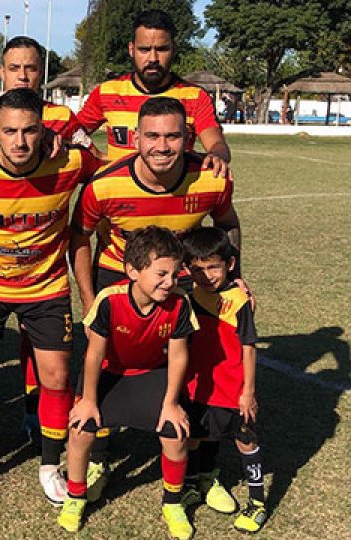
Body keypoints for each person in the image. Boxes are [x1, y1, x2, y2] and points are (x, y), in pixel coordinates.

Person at [69, 96, 241, 500]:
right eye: (152, 136)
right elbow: (80, 237)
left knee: (201, 369)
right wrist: (90, 295)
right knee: (107, 362)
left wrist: (232, 281)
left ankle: (201, 470)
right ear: (135, 138)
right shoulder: (105, 184)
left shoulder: (213, 178)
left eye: (172, 136)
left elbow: (228, 225)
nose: (161, 146)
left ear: (188, 137)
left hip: (185, 282)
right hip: (119, 276)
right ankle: (99, 456)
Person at [0, 88, 101, 503]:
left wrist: (76, 140)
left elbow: (106, 171)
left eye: (30, 131)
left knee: (56, 377)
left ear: (44, 129)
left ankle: (51, 464)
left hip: (46, 287)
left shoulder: (70, 162)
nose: (20, 141)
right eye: (10, 131)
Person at [58, 226, 197, 540]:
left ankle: (173, 503)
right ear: (133, 270)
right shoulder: (109, 300)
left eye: (175, 274)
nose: (170, 282)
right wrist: (89, 401)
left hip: (151, 374)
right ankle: (75, 496)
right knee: (79, 430)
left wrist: (171, 404)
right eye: (161, 273)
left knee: (176, 433)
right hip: (110, 375)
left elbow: (177, 357)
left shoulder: (179, 303)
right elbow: (93, 356)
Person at [180, 227, 268, 533]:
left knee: (245, 440)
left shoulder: (239, 300)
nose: (206, 275)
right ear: (187, 268)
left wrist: (249, 391)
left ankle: (257, 503)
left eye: (213, 267)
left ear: (229, 265)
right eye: (198, 269)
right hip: (196, 385)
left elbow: (248, 348)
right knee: (194, 435)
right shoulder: (187, 296)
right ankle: (193, 483)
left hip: (233, 390)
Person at [76, 9, 232, 178]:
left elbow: (217, 143)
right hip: (121, 198)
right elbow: (72, 133)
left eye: (162, 49)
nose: (153, 58)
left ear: (174, 49)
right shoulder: (106, 93)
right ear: (131, 49)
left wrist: (217, 156)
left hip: (172, 198)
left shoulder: (195, 97)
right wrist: (98, 157)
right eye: (144, 49)